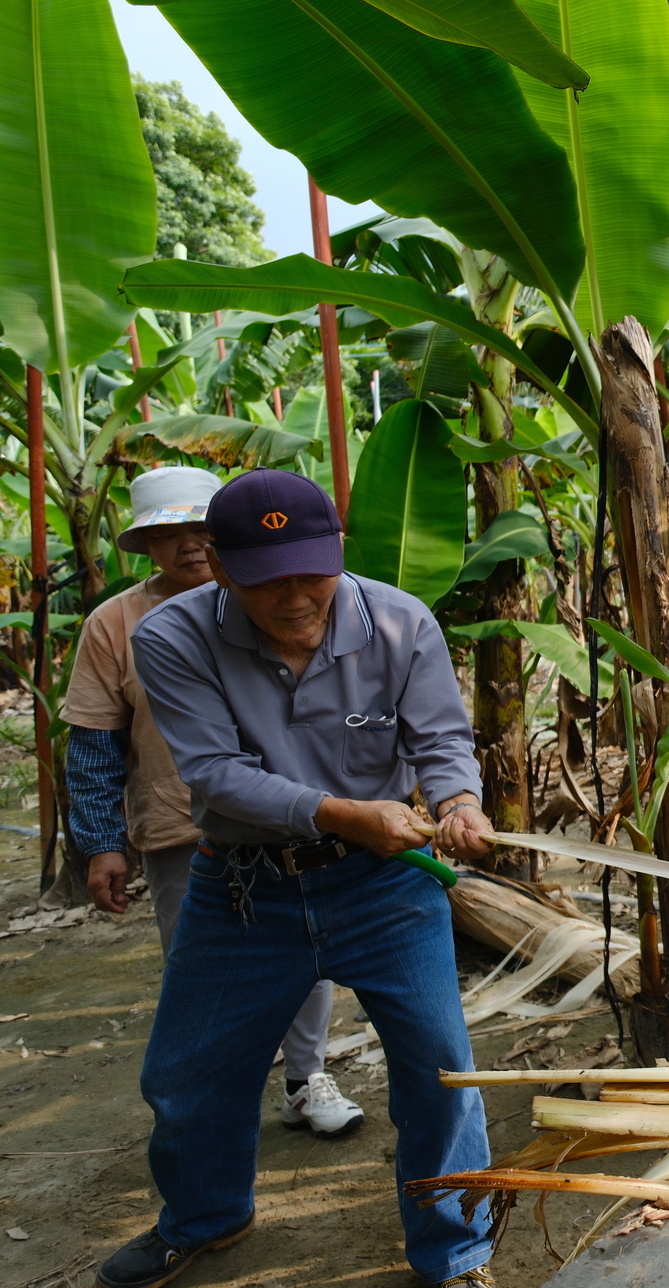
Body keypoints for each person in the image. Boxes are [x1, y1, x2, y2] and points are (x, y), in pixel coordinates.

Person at [99, 469, 499, 1288]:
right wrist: (348, 813)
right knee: (185, 1076)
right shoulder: (169, 637)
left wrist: (458, 802)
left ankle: (455, 1253)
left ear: (338, 551)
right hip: (242, 888)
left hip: (386, 888)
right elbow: (213, 776)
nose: (292, 599)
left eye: (310, 574)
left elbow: (442, 742)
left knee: (440, 1071)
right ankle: (206, 1219)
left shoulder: (399, 622)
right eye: (264, 580)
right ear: (219, 564)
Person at [64, 465, 365, 1143]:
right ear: (146, 546)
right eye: (170, 534)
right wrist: (102, 842)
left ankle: (304, 1078)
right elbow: (94, 743)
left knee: (311, 954)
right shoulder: (115, 625)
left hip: (305, 816)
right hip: (179, 827)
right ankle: (218, 1102)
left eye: (203, 527)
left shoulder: (288, 597)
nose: (191, 544)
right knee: (200, 971)